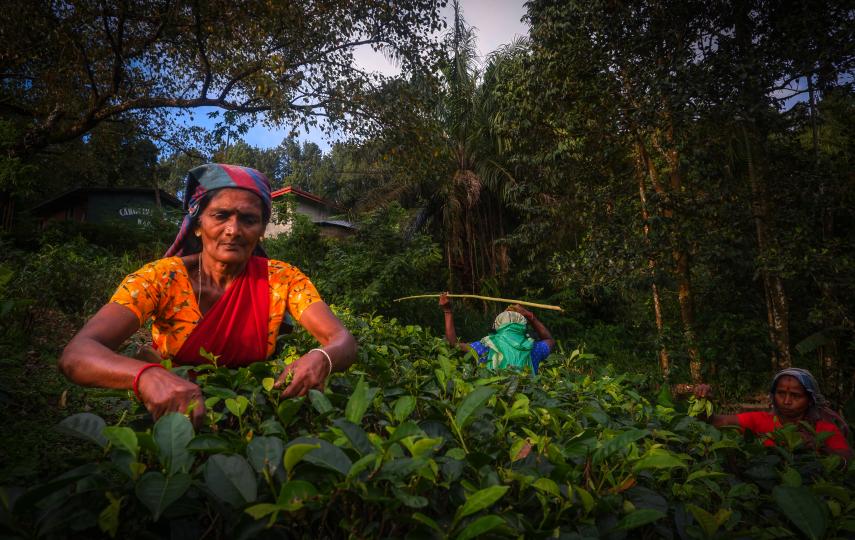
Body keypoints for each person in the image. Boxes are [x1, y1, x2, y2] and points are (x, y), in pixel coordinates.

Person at [59, 163, 357, 427]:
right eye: (220, 215)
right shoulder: (162, 278)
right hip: (172, 420)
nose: (233, 230)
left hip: (250, 415)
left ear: (262, 229)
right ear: (198, 224)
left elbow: (342, 340)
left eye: (248, 220)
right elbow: (77, 354)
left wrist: (321, 359)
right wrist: (147, 376)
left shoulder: (282, 279)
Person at [693, 368, 852, 460]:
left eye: (796, 395)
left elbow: (848, 458)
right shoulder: (759, 421)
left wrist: (820, 448)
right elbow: (715, 422)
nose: (787, 401)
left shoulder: (824, 429)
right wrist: (704, 402)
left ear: (810, 399)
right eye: (781, 393)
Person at [438, 292, 555, 374]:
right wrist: (530, 315)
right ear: (523, 326)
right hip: (524, 405)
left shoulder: (486, 346)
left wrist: (447, 310)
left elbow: (454, 344)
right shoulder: (532, 348)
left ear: (497, 326)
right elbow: (549, 340)